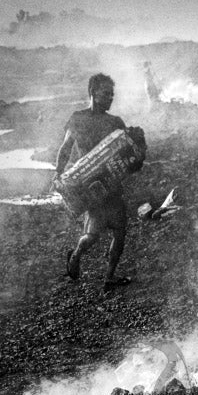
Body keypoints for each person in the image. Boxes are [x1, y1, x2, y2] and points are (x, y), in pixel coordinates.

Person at [54, 73, 135, 291]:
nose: (110, 98)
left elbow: (127, 152)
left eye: (112, 94)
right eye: (105, 93)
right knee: (92, 234)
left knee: (120, 230)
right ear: (92, 93)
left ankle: (109, 276)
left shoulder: (115, 122)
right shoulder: (77, 119)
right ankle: (75, 257)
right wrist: (58, 174)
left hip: (110, 182)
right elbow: (65, 148)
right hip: (90, 185)